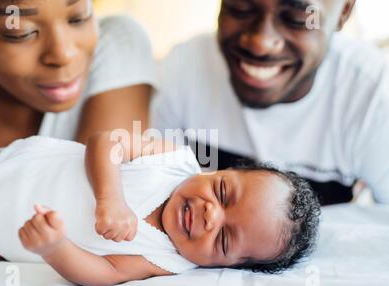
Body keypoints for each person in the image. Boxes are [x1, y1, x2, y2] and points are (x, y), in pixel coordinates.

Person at [0, 133, 320, 286]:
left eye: (223, 238)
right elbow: (105, 141)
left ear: (226, 265)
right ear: (220, 170)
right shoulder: (172, 157)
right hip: (18, 168)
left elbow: (104, 273)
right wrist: (110, 199)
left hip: (1, 236)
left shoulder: (168, 260)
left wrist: (55, 248)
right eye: (222, 192)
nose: (210, 216)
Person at [152, 0, 389, 205]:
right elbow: (151, 191)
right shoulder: (183, 70)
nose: (260, 42)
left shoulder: (373, 98)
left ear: (344, 12)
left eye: (297, 18)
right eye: (240, 7)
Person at [0, 0, 155, 222]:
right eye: (22, 33)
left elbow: (89, 214)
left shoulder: (117, 43)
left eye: (78, 18)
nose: (63, 54)